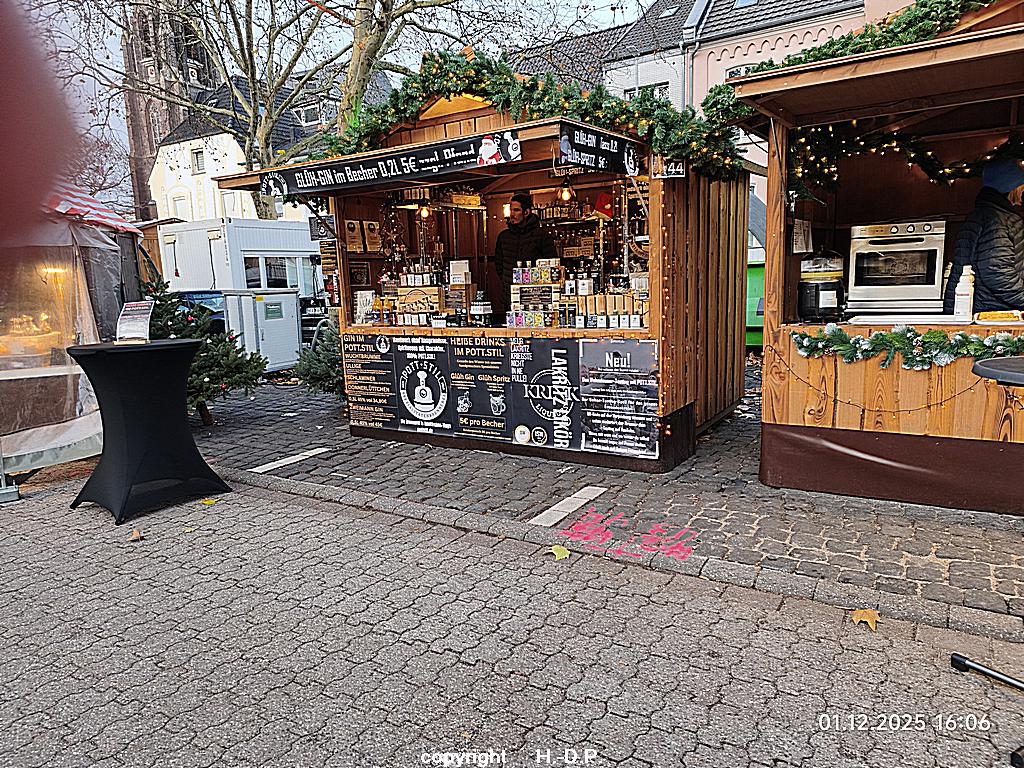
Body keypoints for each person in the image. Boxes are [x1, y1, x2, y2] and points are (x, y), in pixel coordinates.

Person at [943, 158, 1024, 314]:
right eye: (1021, 187)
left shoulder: (980, 215)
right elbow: (997, 272)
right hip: (992, 313)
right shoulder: (999, 220)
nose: (1022, 192)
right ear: (1011, 187)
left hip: (971, 309)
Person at [493, 192, 557, 317]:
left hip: (536, 296)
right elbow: (499, 264)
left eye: (516, 210)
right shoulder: (504, 237)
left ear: (526, 212)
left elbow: (552, 264)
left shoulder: (542, 235)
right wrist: (508, 281)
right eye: (511, 210)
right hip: (510, 295)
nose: (512, 214)